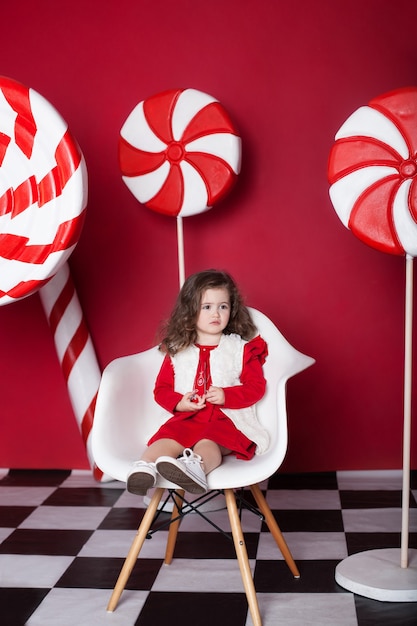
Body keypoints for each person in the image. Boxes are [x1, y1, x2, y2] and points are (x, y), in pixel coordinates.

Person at [127, 269, 270, 496]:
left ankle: (195, 468)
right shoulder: (178, 351)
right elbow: (161, 389)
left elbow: (256, 387)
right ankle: (145, 467)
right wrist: (179, 403)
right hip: (188, 417)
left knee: (209, 443)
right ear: (190, 311)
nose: (216, 313)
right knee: (168, 438)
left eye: (223, 306)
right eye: (207, 307)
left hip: (224, 419)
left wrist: (226, 395)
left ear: (232, 309)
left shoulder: (240, 349)